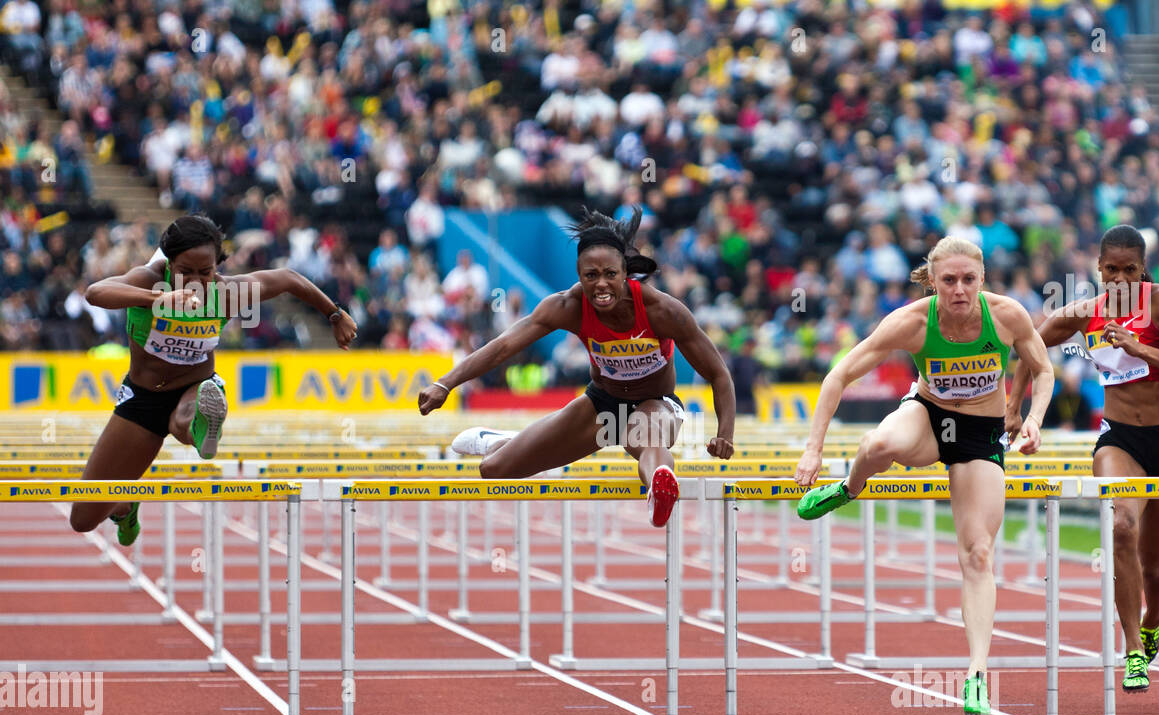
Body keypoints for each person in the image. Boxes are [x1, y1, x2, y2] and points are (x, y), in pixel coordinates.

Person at [794, 236, 1055, 715]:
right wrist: (814, 449)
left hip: (980, 434)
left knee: (978, 553)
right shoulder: (913, 322)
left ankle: (975, 674)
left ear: (982, 279)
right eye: (949, 280)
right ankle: (848, 488)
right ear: (932, 282)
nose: (959, 290)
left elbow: (1042, 368)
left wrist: (1034, 417)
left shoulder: (1007, 316)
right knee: (878, 445)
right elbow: (839, 375)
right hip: (929, 418)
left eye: (968, 280)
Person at [417, 207, 736, 527]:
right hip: (601, 404)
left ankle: (659, 486)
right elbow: (504, 345)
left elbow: (718, 373)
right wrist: (444, 384)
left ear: (625, 272)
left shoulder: (662, 310)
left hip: (656, 404)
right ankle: (500, 440)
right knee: (494, 470)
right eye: (590, 276)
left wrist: (725, 434)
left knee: (645, 436)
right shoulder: (568, 306)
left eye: (610, 274)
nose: (601, 286)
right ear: (579, 274)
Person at [1007, 224, 1159, 693]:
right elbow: (1031, 345)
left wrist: (1140, 347)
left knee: (1155, 566)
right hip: (1119, 439)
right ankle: (1133, 651)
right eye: (1111, 270)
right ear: (1099, 269)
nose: (1120, 280)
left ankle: (1154, 614)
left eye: (1130, 271)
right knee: (1121, 528)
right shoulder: (1084, 314)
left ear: (1143, 270)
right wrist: (1013, 406)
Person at [70, 215, 357, 542]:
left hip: (194, 388)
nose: (194, 282)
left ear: (217, 266)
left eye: (204, 272)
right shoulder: (149, 280)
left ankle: (201, 422)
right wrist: (157, 300)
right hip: (142, 399)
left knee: (185, 421)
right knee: (82, 519)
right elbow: (96, 292)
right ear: (168, 263)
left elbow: (289, 278)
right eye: (184, 273)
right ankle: (124, 506)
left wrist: (334, 314)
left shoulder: (228, 291)